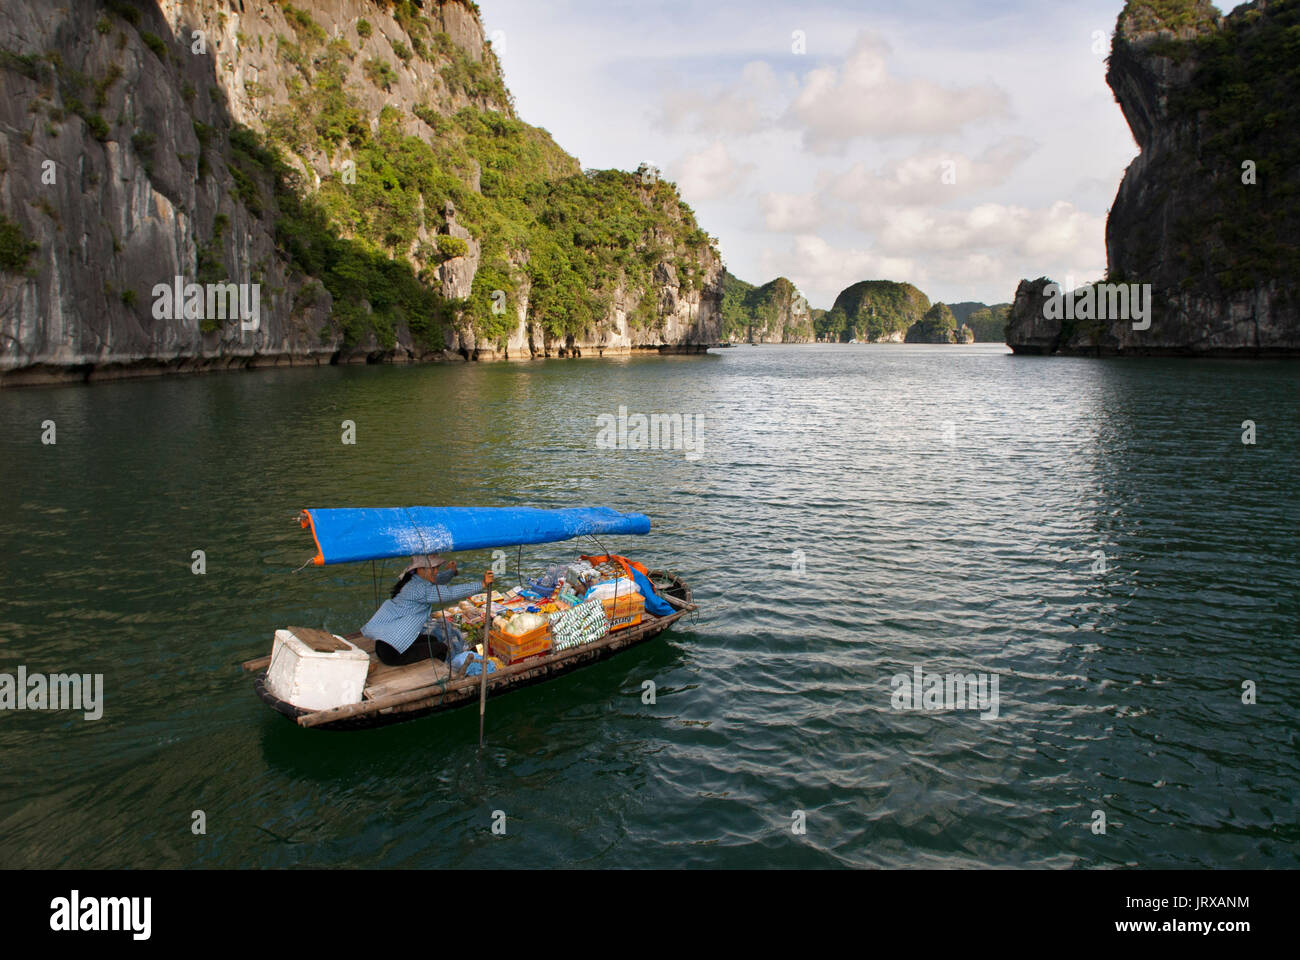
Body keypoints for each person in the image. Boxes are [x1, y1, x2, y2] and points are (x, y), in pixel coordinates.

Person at [362, 554, 463, 666]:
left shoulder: (410, 581)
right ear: (420, 569)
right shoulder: (416, 589)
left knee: (433, 639)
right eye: (432, 568)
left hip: (383, 645)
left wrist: (451, 572)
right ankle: (436, 672)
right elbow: (447, 590)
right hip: (393, 653)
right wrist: (481, 583)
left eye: (436, 568)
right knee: (441, 648)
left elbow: (435, 580)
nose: (435, 572)